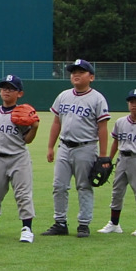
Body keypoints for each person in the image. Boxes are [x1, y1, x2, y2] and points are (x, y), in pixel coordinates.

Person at [43, 59, 111, 238]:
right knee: (59, 186)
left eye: (81, 72)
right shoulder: (63, 96)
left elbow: (103, 128)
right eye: (74, 72)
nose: (76, 75)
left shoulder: (97, 98)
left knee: (84, 186)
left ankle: (84, 224)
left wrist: (103, 155)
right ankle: (60, 223)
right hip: (64, 147)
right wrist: (50, 146)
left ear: (91, 77)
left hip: (86, 148)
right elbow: (56, 122)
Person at [0, 75, 39, 242]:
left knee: (23, 195)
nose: (6, 91)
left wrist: (34, 128)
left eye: (11, 89)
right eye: (4, 88)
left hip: (19, 158)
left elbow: (28, 140)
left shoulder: (23, 113)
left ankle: (27, 229)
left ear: (20, 93)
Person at [100, 88, 136, 237]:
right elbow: (115, 142)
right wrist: (108, 160)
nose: (134, 105)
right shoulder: (120, 122)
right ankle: (114, 224)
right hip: (122, 159)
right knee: (117, 191)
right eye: (131, 102)